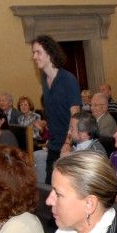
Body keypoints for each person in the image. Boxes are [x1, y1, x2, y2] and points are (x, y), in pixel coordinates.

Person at [32, 35, 81, 184]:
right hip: (53, 144)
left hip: (69, 146)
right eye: (33, 53)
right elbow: (56, 110)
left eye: (38, 52)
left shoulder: (68, 79)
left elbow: (76, 115)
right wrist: (45, 123)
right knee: (49, 188)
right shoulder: (44, 79)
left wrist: (67, 143)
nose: (34, 57)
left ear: (50, 53)